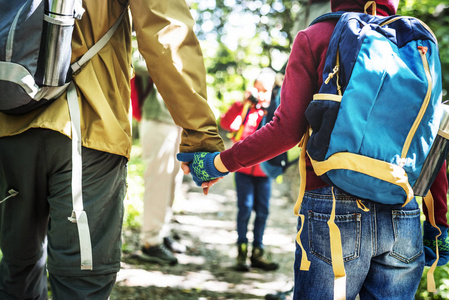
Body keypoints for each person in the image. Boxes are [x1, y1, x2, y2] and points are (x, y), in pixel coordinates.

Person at [178, 0, 449, 299]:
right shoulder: (416, 44)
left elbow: (286, 129)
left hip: (333, 207)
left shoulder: (319, 33)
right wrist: (439, 225)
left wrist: (217, 164)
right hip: (403, 209)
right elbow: (433, 138)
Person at [0, 1, 224, 299]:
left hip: (9, 119)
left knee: (17, 269)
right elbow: (166, 34)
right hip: (88, 122)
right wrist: (201, 134)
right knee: (82, 279)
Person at [220, 68, 279, 272]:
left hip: (264, 172)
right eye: (258, 88)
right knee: (244, 209)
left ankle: (258, 252)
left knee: (262, 211)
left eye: (266, 90)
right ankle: (241, 252)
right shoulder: (245, 109)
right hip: (243, 170)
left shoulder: (273, 110)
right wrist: (243, 104)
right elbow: (226, 124)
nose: (261, 93)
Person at [132, 50, 186, 266]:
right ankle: (150, 242)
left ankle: (161, 232)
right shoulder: (148, 43)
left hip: (177, 121)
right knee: (158, 180)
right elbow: (137, 65)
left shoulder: (181, 44)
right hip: (157, 119)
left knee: (173, 180)